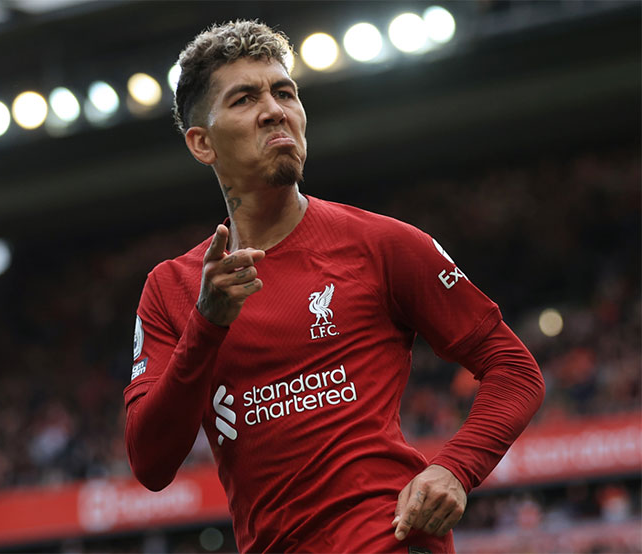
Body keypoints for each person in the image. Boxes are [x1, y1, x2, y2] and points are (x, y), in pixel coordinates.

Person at [123, 20, 544, 553]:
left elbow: (515, 369)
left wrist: (456, 468)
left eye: (284, 93)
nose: (275, 110)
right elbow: (150, 464)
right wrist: (206, 326)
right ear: (202, 143)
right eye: (245, 99)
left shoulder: (382, 244)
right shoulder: (173, 289)